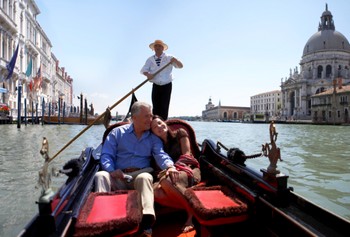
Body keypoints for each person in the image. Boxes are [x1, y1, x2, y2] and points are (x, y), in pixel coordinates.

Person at [94, 102, 179, 237]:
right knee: (101, 176)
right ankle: (101, 221)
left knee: (145, 177)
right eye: (147, 116)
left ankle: (147, 225)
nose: (150, 120)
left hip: (139, 177)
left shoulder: (153, 138)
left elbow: (160, 154)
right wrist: (111, 170)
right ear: (134, 118)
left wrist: (170, 166)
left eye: (151, 116)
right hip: (118, 177)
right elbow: (106, 155)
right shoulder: (117, 133)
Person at [151, 115, 201, 233]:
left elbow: (187, 155)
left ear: (164, 122)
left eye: (159, 122)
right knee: (155, 192)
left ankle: (191, 215)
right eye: (154, 127)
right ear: (152, 132)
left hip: (189, 169)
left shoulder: (180, 133)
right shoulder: (157, 146)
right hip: (171, 173)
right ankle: (193, 207)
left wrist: (173, 169)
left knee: (165, 181)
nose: (159, 126)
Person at [140, 39, 183, 120]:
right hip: (156, 85)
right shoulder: (150, 59)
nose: (157, 47)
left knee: (164, 106)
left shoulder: (170, 58)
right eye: (156, 46)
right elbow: (143, 71)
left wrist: (176, 61)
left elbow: (180, 66)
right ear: (153, 48)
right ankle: (155, 123)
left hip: (167, 85)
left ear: (163, 48)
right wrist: (148, 75)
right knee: (156, 106)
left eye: (159, 46)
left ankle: (163, 123)